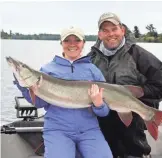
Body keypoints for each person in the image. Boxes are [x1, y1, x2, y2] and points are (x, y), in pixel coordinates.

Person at [13, 26, 113, 158]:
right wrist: (24, 87)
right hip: (57, 129)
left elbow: (104, 112)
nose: (72, 44)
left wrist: (99, 104)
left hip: (89, 130)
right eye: (67, 41)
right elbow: (38, 103)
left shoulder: (93, 71)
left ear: (83, 43)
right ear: (61, 43)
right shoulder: (47, 70)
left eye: (76, 40)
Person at [88, 12, 162, 158]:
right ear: (99, 35)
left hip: (132, 120)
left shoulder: (140, 56)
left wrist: (139, 92)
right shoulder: (90, 59)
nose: (111, 34)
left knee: (133, 152)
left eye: (114, 29)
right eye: (105, 30)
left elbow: (161, 88)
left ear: (122, 30)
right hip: (100, 119)